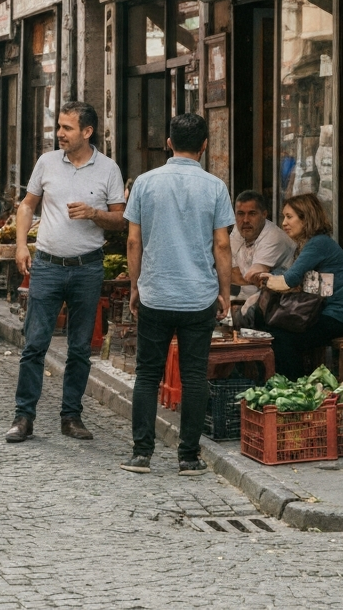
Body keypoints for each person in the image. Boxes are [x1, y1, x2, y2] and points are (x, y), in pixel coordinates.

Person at [120, 113, 234, 476]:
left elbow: (133, 240)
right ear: (204, 145)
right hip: (198, 295)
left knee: (148, 375)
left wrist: (135, 287)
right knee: (195, 376)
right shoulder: (215, 187)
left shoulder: (144, 184)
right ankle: (188, 457)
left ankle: (141, 454)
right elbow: (222, 244)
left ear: (168, 143)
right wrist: (225, 291)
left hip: (155, 292)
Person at [7, 102, 125, 444]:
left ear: (86, 132)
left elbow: (121, 219)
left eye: (67, 128)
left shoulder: (108, 169)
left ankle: (71, 416)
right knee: (35, 344)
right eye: (59, 126)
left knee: (79, 347)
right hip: (46, 265)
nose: (59, 133)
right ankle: (23, 417)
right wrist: (20, 245)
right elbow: (28, 204)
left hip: (87, 268)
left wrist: (94, 214)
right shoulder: (46, 162)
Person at [255, 193, 343, 379]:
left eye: (289, 217)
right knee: (269, 332)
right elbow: (299, 283)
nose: (284, 223)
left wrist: (266, 280)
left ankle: (294, 387)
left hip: (334, 317)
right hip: (318, 314)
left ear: (306, 218)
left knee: (280, 338)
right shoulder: (311, 244)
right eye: (284, 217)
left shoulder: (318, 244)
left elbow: (289, 280)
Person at [229, 190, 296, 311]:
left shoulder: (273, 237)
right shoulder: (238, 229)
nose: (245, 220)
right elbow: (229, 268)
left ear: (264, 214)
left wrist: (221, 274)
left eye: (252, 214)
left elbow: (253, 276)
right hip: (247, 301)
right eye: (240, 214)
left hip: (280, 306)